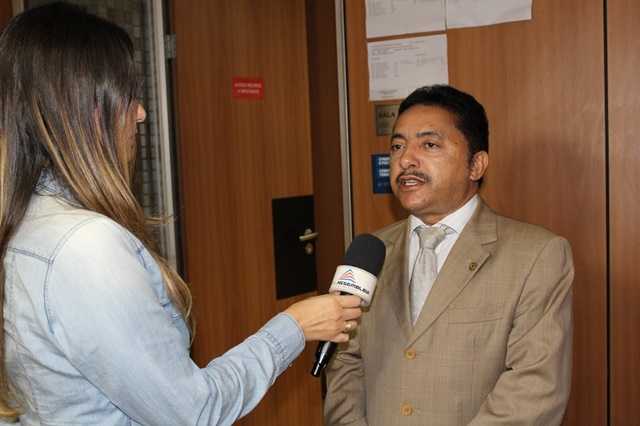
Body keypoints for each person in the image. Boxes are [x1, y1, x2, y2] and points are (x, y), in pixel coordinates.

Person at [0, 3, 362, 424]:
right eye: (127, 95)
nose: (140, 112)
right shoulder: (84, 247)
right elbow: (193, 411)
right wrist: (293, 327)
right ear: (82, 111)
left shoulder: (26, 224)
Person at [324, 85, 574, 425]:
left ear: (476, 165)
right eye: (397, 146)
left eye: (429, 144)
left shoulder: (536, 255)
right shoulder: (370, 252)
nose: (405, 159)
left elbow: (535, 390)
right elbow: (345, 363)